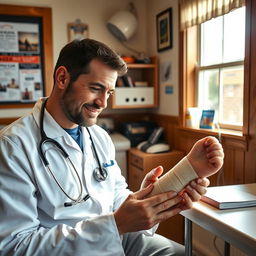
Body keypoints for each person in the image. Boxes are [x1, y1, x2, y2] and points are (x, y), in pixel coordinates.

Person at [0, 39, 224, 256]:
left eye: (109, 92)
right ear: (62, 78)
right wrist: (114, 225)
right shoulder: (13, 147)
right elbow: (15, 247)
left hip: (117, 238)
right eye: (96, 88)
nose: (103, 103)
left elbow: (116, 197)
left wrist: (149, 196)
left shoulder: (99, 137)